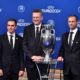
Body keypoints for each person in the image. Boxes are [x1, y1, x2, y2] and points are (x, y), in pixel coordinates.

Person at [23, 9, 52, 80]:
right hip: (30, 63)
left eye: (37, 17)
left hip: (43, 63)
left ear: (42, 18)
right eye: (34, 17)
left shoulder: (48, 29)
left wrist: (42, 57)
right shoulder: (27, 29)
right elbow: (24, 45)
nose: (35, 19)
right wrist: (32, 56)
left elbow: (51, 45)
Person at [57, 15, 80, 80]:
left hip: (78, 69)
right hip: (67, 69)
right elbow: (62, 49)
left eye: (73, 21)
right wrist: (60, 56)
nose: (71, 23)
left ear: (77, 22)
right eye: (69, 21)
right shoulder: (64, 35)